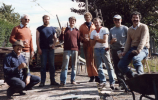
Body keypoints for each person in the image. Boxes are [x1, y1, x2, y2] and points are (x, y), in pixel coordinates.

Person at [118, 11, 149, 78]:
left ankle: (141, 77)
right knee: (121, 65)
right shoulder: (129, 29)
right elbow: (128, 42)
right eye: (134, 17)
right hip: (132, 49)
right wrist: (125, 52)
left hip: (143, 49)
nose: (135, 19)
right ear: (131, 19)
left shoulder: (144, 27)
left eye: (137, 17)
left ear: (139, 19)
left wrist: (138, 50)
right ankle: (133, 77)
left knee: (136, 59)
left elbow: (143, 40)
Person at [90, 18, 116, 89]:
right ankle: (103, 81)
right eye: (94, 22)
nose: (96, 23)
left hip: (104, 49)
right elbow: (91, 44)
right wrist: (96, 40)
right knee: (99, 66)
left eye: (97, 22)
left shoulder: (105, 29)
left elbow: (104, 40)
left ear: (100, 22)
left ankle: (112, 82)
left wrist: (96, 39)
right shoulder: (92, 32)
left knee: (109, 66)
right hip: (96, 49)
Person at [36, 15, 59, 87]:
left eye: (48, 19)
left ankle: (53, 81)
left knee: (52, 65)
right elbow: (37, 39)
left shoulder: (52, 28)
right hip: (43, 49)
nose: (46, 20)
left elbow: (55, 38)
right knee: (43, 65)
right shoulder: (39, 28)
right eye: (45, 19)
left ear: (49, 20)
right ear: (43, 20)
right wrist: (39, 48)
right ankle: (42, 82)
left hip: (51, 49)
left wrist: (54, 45)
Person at [59, 16, 80, 86]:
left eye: (73, 21)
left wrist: (78, 50)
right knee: (65, 66)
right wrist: (62, 33)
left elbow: (79, 41)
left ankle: (73, 80)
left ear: (75, 22)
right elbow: (61, 40)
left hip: (75, 50)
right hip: (67, 50)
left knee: (74, 66)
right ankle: (63, 81)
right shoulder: (65, 30)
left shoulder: (77, 30)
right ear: (69, 21)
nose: (72, 22)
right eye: (71, 20)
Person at [109, 15, 128, 88]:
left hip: (123, 50)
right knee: (116, 67)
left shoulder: (125, 28)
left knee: (123, 66)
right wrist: (112, 41)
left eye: (118, 20)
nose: (117, 21)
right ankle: (121, 84)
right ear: (113, 21)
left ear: (121, 20)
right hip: (114, 50)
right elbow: (109, 42)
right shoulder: (111, 29)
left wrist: (127, 50)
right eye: (115, 20)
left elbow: (129, 39)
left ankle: (127, 83)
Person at [79, 12, 99, 82]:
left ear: (91, 18)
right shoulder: (81, 26)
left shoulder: (94, 25)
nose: (87, 18)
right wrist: (83, 39)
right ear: (85, 18)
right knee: (88, 61)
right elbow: (79, 36)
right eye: (86, 17)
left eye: (89, 17)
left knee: (95, 60)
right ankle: (91, 76)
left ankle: (97, 76)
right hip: (86, 45)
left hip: (94, 45)